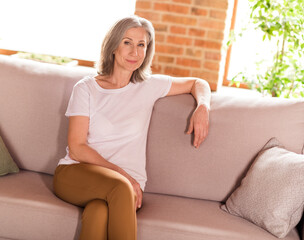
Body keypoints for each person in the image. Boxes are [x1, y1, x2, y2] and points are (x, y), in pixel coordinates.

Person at [53, 15, 211, 240]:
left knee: (98, 212)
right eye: (127, 42)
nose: (134, 52)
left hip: (126, 186)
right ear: (113, 46)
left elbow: (198, 83)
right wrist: (124, 176)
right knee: (120, 188)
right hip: (76, 173)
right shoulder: (86, 88)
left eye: (141, 45)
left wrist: (203, 107)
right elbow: (77, 148)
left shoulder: (149, 86)